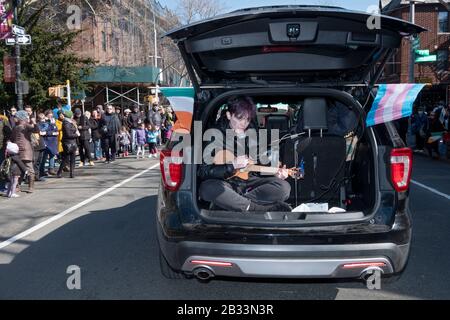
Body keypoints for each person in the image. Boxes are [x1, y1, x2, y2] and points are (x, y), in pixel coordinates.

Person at [198, 96, 292, 213]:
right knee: (207, 188)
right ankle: (256, 209)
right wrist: (232, 165)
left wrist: (275, 172)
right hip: (226, 183)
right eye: (239, 118)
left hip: (248, 182)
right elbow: (203, 171)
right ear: (228, 115)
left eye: (247, 119)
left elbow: (258, 162)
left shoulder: (251, 132)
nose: (244, 123)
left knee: (284, 188)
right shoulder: (214, 135)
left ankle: (230, 204)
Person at [10, 110, 39, 193]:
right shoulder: (16, 126)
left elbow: (36, 130)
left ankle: (31, 187)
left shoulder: (26, 125)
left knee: (29, 168)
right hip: (17, 150)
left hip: (26, 150)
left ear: (20, 117)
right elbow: (12, 138)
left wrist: (34, 122)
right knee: (17, 169)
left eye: (16, 116)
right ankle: (17, 186)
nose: (14, 118)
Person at [57, 111, 79, 178]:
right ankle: (59, 172)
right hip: (67, 143)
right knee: (65, 158)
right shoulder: (66, 123)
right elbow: (68, 134)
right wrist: (76, 135)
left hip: (73, 142)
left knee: (73, 158)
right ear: (70, 116)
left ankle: (72, 173)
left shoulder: (71, 122)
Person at [39, 110, 59, 176]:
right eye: (49, 114)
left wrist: (53, 132)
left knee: (52, 155)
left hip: (52, 141)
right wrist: (52, 133)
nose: (51, 115)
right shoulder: (43, 121)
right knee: (44, 157)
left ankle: (51, 169)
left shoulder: (53, 121)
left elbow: (56, 130)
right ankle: (41, 170)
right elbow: (43, 131)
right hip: (46, 141)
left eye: (51, 114)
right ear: (46, 115)